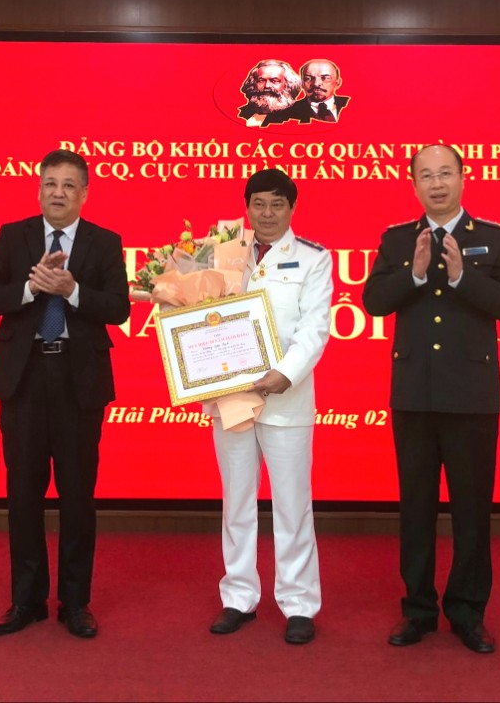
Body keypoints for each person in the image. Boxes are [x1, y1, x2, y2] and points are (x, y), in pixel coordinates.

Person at [362, 144, 500, 654]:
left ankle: (468, 613)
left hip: (472, 397)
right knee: (415, 508)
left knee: (471, 510)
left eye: (445, 174)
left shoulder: (494, 238)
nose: (437, 184)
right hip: (414, 394)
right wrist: (413, 274)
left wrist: (462, 278)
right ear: (413, 184)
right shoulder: (397, 240)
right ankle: (417, 610)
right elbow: (373, 301)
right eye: (426, 176)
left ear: (462, 177)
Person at [0, 149, 130, 640]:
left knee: (78, 495)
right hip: (23, 378)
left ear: (84, 193)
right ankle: (27, 600)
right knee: (23, 493)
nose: (58, 193)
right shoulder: (12, 236)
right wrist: (31, 287)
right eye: (50, 184)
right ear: (39, 189)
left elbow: (119, 308)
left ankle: (76, 603)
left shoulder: (105, 241)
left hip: (78, 379)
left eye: (68, 185)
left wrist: (71, 290)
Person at [207, 168, 333, 644]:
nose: (267, 213)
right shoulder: (223, 253)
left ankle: (298, 603)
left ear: (292, 208)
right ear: (246, 207)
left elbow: (314, 327)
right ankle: (238, 596)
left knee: (292, 505)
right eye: (258, 203)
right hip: (233, 398)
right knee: (236, 501)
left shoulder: (313, 258)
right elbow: (200, 313)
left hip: (286, 398)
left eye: (277, 204)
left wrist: (285, 373)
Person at [236, 59, 303, 127]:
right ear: (253, 83)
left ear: (288, 84)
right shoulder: (240, 113)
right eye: (261, 80)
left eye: (274, 81)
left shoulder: (299, 116)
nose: (267, 85)